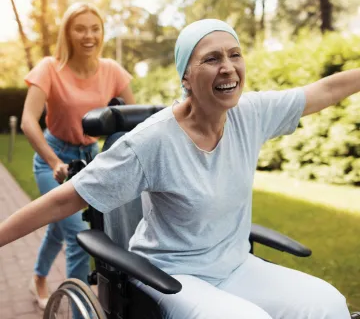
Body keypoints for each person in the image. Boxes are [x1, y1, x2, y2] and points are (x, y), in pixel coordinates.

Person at [0, 18, 356, 319]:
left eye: (235, 55)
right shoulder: (152, 141)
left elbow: (324, 90)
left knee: (327, 304)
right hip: (170, 274)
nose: (228, 67)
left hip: (234, 264)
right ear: (186, 77)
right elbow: (65, 201)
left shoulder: (252, 114)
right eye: (212, 58)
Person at [20, 2, 135, 309]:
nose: (89, 35)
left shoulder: (111, 70)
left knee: (60, 228)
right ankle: (81, 312)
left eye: (95, 28)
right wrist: (53, 162)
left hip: (91, 160)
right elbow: (28, 121)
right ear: (68, 33)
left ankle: (38, 279)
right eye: (80, 28)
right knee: (79, 236)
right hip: (53, 159)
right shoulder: (49, 68)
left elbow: (133, 121)